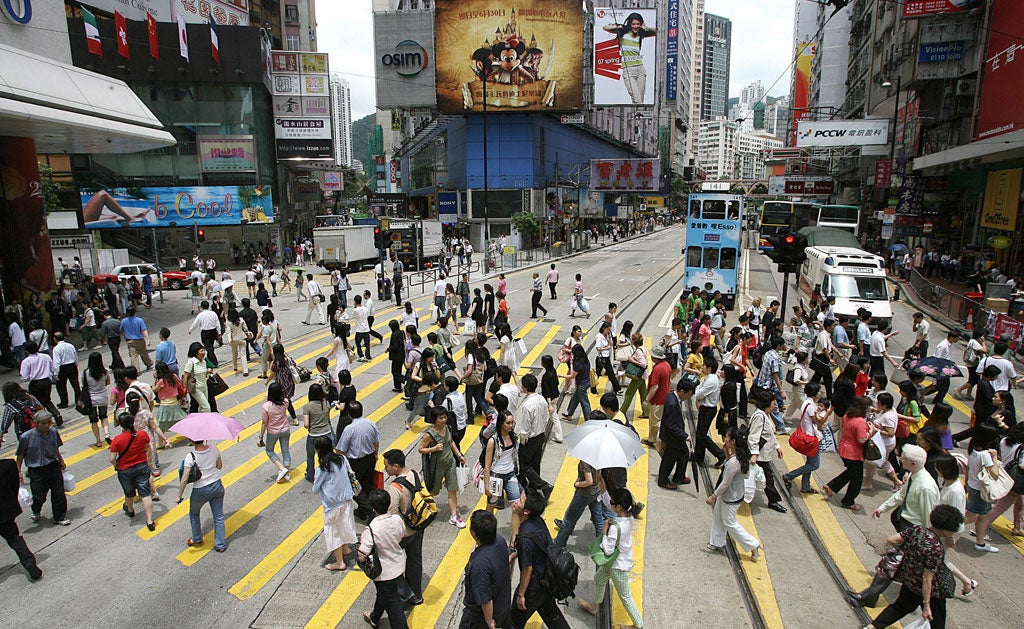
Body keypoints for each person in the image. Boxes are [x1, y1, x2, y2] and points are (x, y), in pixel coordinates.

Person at [862, 504, 963, 629]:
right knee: (937, 622)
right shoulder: (936, 549)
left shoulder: (917, 530)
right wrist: (926, 605)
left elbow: (892, 539)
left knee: (900, 607)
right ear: (945, 529)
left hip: (909, 580)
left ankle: (873, 627)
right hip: (930, 592)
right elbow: (927, 578)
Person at [578, 488, 644, 628]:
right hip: (618, 559)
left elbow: (608, 550)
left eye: (613, 502)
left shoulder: (615, 527)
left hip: (618, 565)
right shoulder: (629, 516)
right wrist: (603, 490)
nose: (610, 504)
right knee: (599, 578)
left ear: (619, 507)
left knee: (625, 596)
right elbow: (610, 504)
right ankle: (594, 606)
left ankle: (638, 625)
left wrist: (604, 530)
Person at [509, 491, 570, 629]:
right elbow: (539, 547)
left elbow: (527, 569)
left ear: (526, 511)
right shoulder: (538, 521)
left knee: (514, 622)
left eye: (520, 500)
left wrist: (521, 594)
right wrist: (516, 554)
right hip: (547, 581)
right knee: (552, 617)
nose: (516, 502)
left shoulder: (525, 538)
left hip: (533, 588)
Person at [707, 427, 761, 559]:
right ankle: (716, 541)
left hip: (730, 496)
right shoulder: (741, 457)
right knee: (718, 515)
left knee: (729, 522)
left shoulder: (733, 462)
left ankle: (752, 544)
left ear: (733, 441)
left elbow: (725, 483)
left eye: (727, 437)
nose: (724, 439)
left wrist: (713, 496)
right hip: (734, 494)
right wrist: (726, 451)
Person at [359, 489, 409, 629]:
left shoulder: (372, 529)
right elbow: (401, 535)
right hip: (398, 564)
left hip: (383, 572)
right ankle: (375, 617)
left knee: (393, 605)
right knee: (385, 593)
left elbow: (362, 555)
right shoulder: (397, 519)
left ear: (373, 508)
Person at [383, 449, 425, 606]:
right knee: (415, 561)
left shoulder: (395, 487)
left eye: (386, 466)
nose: (385, 469)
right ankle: (416, 595)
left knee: (388, 561)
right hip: (418, 525)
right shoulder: (414, 473)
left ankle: (405, 591)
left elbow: (391, 512)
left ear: (395, 466)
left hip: (404, 532)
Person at [14, 411, 69, 526]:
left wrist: (61, 460)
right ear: (36, 423)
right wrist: (18, 471)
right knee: (39, 495)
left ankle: (59, 517)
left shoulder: (53, 432)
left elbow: (55, 447)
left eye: (48, 422)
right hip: (36, 469)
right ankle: (36, 509)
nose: (46, 425)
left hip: (52, 465)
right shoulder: (26, 437)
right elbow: (20, 455)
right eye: (43, 423)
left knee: (58, 492)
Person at [822, 396, 876, 511]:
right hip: (853, 453)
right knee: (857, 478)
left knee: (851, 472)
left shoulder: (848, 415)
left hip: (844, 448)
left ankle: (832, 487)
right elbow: (862, 439)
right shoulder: (860, 421)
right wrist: (871, 431)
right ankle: (848, 500)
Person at [460, 510, 512, 629]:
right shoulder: (500, 541)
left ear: (473, 533)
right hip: (503, 606)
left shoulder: (480, 564)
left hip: (480, 618)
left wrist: (489, 622)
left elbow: (485, 599)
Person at [312, 435, 357, 571]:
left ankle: (339, 562)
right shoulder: (342, 459)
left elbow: (315, 489)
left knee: (334, 531)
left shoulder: (322, 469)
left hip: (333, 505)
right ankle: (345, 548)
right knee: (344, 524)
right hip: (347, 499)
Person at [872, 444, 941, 532]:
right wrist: (882, 508)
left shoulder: (925, 488)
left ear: (913, 463)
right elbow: (902, 494)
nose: (900, 459)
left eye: (903, 458)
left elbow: (928, 515)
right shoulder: (913, 474)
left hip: (913, 528)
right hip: (904, 520)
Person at [420, 406, 467, 528]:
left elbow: (451, 442)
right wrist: (433, 449)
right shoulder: (429, 434)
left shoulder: (447, 428)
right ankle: (421, 506)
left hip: (450, 463)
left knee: (452, 489)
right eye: (441, 418)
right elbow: (421, 449)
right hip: (437, 466)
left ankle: (453, 516)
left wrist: (459, 456)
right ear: (435, 419)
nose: (444, 420)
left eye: (445, 417)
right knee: (433, 491)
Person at [109, 411, 156, 530]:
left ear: (121, 425)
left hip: (125, 469)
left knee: (129, 493)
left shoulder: (117, 440)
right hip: (142, 466)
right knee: (145, 493)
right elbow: (146, 447)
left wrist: (117, 465)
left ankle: (130, 510)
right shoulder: (142, 434)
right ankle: (150, 520)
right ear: (133, 422)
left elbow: (112, 459)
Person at [745, 389, 788, 513]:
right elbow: (753, 436)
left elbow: (770, 434)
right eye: (773, 404)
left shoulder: (766, 415)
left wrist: (777, 446)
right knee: (768, 478)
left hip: (763, 454)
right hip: (759, 455)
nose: (775, 406)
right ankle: (773, 501)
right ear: (766, 404)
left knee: (744, 474)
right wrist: (754, 454)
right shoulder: (760, 416)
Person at [963, 424, 1003, 553]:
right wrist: (995, 457)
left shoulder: (973, 450)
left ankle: (980, 543)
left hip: (973, 486)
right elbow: (995, 474)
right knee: (971, 516)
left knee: (982, 516)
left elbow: (969, 469)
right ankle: (945, 529)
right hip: (981, 490)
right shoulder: (986, 455)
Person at [0, 458, 42, 580]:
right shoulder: (8, 465)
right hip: (5, 511)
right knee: (14, 538)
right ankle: (29, 563)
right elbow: (14, 486)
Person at [338, 401, 381, 520]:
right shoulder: (370, 423)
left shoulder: (349, 429)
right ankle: (362, 510)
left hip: (356, 462)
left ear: (349, 414)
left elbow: (341, 449)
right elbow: (376, 442)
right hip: (370, 458)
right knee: (367, 485)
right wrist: (376, 455)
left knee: (354, 488)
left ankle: (368, 509)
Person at [658, 378, 694, 489]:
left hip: (675, 436)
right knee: (669, 459)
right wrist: (684, 435)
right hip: (671, 437)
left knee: (684, 453)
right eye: (688, 394)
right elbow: (671, 425)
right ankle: (663, 480)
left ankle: (679, 476)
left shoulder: (673, 397)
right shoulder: (672, 403)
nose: (689, 397)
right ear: (682, 391)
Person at [693, 357, 726, 468]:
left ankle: (720, 454)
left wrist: (697, 387)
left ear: (709, 368)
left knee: (702, 435)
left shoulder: (711, 381)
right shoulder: (709, 378)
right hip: (705, 409)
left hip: (708, 410)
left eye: (704, 366)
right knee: (699, 433)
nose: (702, 367)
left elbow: (698, 394)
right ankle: (698, 455)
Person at [20, 341, 61, 427]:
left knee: (37, 403)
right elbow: (52, 368)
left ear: (26, 351)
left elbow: (24, 377)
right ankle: (56, 413)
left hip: (35, 383)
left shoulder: (26, 361)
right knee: (47, 400)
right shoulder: (45, 357)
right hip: (46, 381)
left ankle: (45, 420)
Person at [259, 382, 293, 484]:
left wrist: (260, 437)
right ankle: (287, 473)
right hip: (285, 430)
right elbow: (279, 402)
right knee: (285, 451)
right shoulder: (285, 402)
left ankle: (281, 468)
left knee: (269, 450)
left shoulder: (266, 406)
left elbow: (264, 423)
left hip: (273, 432)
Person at [303, 384, 335, 483]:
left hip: (314, 435)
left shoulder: (307, 406)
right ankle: (330, 474)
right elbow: (328, 418)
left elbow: (306, 424)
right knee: (327, 456)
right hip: (327, 433)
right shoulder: (326, 403)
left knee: (310, 457)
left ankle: (311, 476)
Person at [560, 344, 593, 423]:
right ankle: (569, 414)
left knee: (584, 403)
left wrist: (562, 375)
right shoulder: (585, 359)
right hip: (587, 381)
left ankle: (589, 420)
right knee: (575, 398)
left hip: (581, 384)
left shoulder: (578, 363)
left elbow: (572, 376)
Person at [620, 333, 649, 420]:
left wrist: (631, 360)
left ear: (634, 341)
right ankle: (646, 412)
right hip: (642, 375)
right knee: (643, 394)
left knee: (629, 393)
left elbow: (644, 364)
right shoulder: (642, 348)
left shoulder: (638, 351)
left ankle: (622, 411)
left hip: (638, 376)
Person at [189, 301, 221, 367]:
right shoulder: (213, 313)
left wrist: (190, 330)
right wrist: (219, 332)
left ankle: (215, 362)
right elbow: (217, 323)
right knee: (210, 347)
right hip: (213, 331)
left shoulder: (200, 315)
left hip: (205, 332)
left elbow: (195, 324)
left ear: (202, 307)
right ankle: (209, 360)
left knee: (209, 348)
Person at [120, 307, 153, 372]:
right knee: (143, 353)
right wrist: (147, 339)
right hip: (139, 339)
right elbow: (144, 330)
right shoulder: (139, 320)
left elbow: (121, 330)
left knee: (133, 355)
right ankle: (148, 363)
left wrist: (125, 336)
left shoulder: (124, 321)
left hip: (129, 340)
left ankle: (136, 369)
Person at [182, 342, 211, 414]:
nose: (204, 352)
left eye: (204, 350)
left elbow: (202, 373)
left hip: (204, 387)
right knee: (206, 408)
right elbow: (185, 376)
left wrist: (207, 372)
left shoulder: (203, 361)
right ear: (196, 353)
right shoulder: (191, 362)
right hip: (196, 389)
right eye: (201, 351)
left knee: (202, 408)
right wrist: (184, 390)